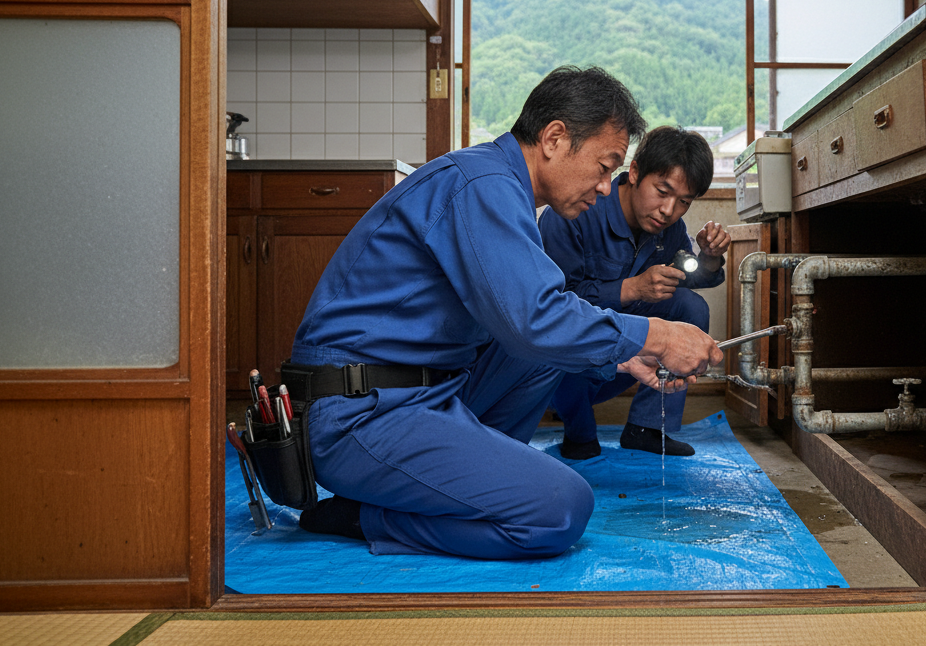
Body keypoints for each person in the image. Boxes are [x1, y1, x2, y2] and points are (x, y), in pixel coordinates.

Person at [283, 66, 723, 559]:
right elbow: (536, 319)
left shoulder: (502, 189)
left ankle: (474, 484)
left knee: (539, 356)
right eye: (604, 166)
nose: (605, 187)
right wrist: (657, 336)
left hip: (423, 391)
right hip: (361, 412)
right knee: (560, 508)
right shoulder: (482, 185)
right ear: (555, 137)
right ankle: (368, 515)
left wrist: (619, 359)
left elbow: (531, 331)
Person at [539, 126, 732, 459]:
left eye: (683, 201)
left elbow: (686, 279)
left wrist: (711, 258)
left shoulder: (670, 230)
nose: (668, 210)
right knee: (561, 334)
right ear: (634, 171)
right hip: (566, 365)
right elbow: (551, 309)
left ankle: (647, 427)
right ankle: (579, 432)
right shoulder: (576, 210)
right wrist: (631, 288)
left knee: (690, 309)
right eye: (662, 191)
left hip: (628, 358)